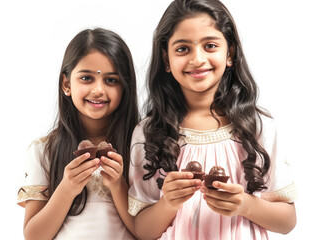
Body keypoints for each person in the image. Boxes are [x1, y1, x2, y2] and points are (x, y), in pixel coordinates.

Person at [127, 0, 297, 239]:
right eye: (183, 49)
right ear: (166, 59)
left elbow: (288, 222)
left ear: (230, 53)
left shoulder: (257, 126)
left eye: (209, 45)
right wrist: (168, 203)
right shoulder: (149, 133)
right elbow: (142, 231)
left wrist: (245, 205)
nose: (197, 59)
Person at [17, 28, 139, 239]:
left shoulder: (139, 147)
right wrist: (67, 188)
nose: (98, 90)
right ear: (67, 84)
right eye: (86, 78)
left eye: (111, 80)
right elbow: (34, 235)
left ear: (125, 86)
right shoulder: (44, 150)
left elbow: (149, 230)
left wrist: (118, 185)